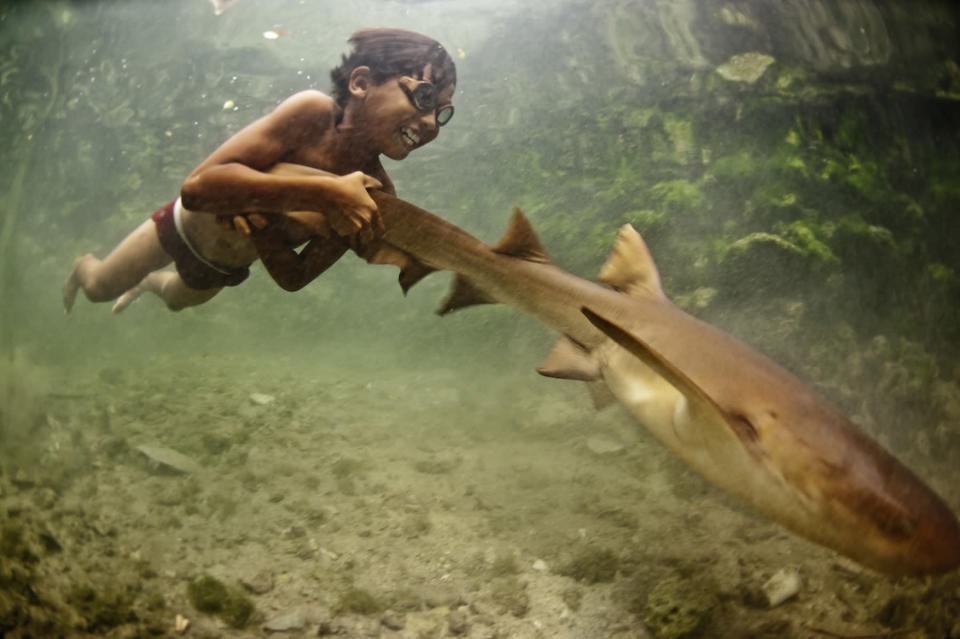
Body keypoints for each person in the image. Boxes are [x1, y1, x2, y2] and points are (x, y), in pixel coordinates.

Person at [63, 27, 456, 313]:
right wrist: (329, 192)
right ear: (361, 82)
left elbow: (295, 278)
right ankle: (83, 265)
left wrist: (265, 224)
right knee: (99, 288)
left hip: (222, 267)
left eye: (443, 112)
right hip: (181, 227)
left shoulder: (376, 196)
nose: (432, 123)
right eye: (423, 97)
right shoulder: (313, 114)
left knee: (173, 299)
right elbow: (198, 190)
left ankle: (150, 281)